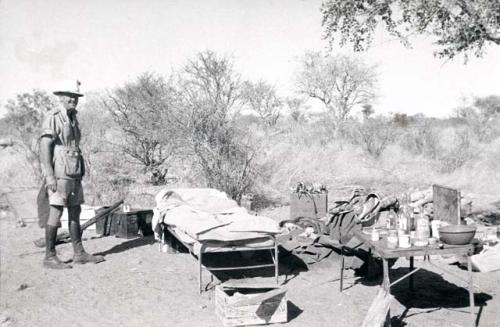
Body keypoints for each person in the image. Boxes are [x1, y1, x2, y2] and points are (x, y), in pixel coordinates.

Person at [39, 80, 104, 269]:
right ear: (61, 97)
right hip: (60, 172)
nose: (73, 100)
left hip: (74, 171)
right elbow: (45, 147)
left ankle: (79, 253)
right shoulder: (53, 116)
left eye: (76, 97)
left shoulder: (73, 117)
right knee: (56, 211)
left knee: (75, 210)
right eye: (70, 96)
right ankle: (50, 257)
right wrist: (49, 175)